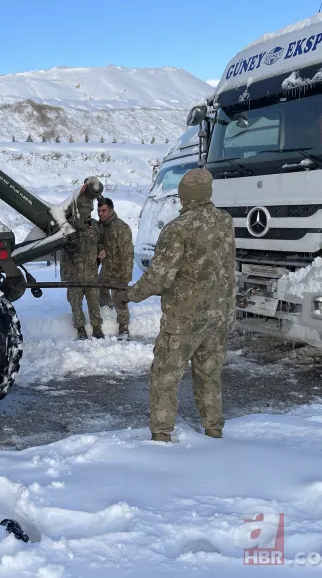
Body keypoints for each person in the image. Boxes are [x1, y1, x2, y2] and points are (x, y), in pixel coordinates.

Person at [113, 169, 235, 442]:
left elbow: (158, 278)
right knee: (209, 375)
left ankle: (161, 435)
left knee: (165, 376)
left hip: (184, 319)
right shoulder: (225, 221)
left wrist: (129, 295)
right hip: (218, 316)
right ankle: (213, 429)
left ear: (184, 196)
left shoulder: (177, 229)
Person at [63, 177, 104, 339]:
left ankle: (97, 328)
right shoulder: (68, 225)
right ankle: (80, 328)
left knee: (94, 302)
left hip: (92, 272)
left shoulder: (94, 225)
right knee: (76, 303)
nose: (88, 210)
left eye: (90, 207)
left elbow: (100, 241)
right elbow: (65, 244)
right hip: (74, 273)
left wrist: (101, 250)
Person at [96, 198, 134, 338]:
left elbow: (127, 254)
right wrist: (101, 249)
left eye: (104, 210)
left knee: (119, 298)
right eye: (99, 211)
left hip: (119, 269)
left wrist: (126, 276)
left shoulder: (121, 228)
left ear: (111, 211)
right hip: (106, 268)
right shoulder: (101, 226)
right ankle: (108, 316)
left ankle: (124, 327)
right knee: (100, 290)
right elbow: (99, 241)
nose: (101, 213)